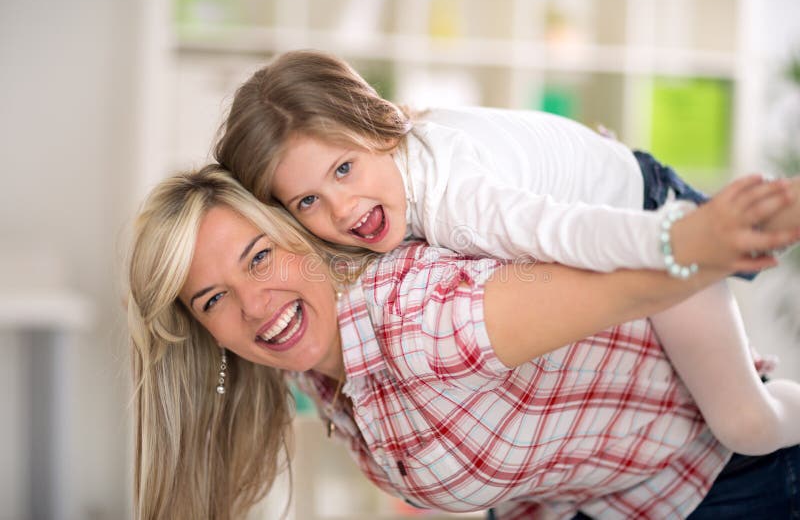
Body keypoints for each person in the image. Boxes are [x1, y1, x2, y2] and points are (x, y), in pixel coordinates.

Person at [214, 49, 800, 457]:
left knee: (745, 424)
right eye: (308, 201)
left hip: (640, 214)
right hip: (612, 183)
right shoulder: (397, 163)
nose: (342, 210)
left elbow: (569, 231)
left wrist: (680, 239)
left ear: (379, 128)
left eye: (344, 169)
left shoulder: (461, 201)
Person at [127, 165, 800, 519]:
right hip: (619, 503)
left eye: (258, 257)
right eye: (212, 299)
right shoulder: (313, 361)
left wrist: (719, 236)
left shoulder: (420, 319)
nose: (253, 305)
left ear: (296, 236)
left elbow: (631, 285)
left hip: (735, 480)